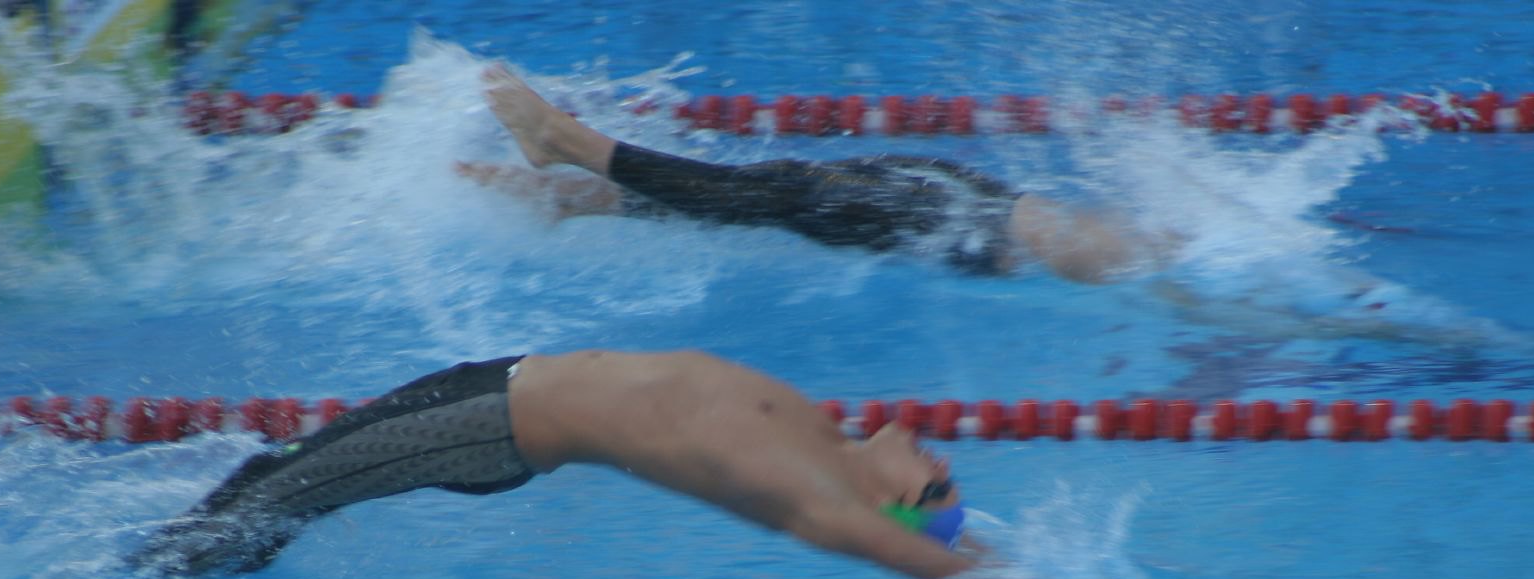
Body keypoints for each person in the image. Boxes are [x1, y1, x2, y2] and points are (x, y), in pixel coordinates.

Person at [129, 348, 974, 579]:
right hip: (495, 390)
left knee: (266, 496)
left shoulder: (815, 496)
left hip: (487, 424)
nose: (942, 463)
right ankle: (189, 565)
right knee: (273, 496)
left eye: (937, 488)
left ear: (891, 503)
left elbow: (912, 557)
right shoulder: (824, 443)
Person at [460, 64, 1162, 284]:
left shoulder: (1198, 256)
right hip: (973, 206)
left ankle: (565, 145)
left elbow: (1082, 251)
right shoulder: (1217, 243)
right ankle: (574, 196)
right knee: (780, 189)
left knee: (780, 192)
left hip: (979, 222)